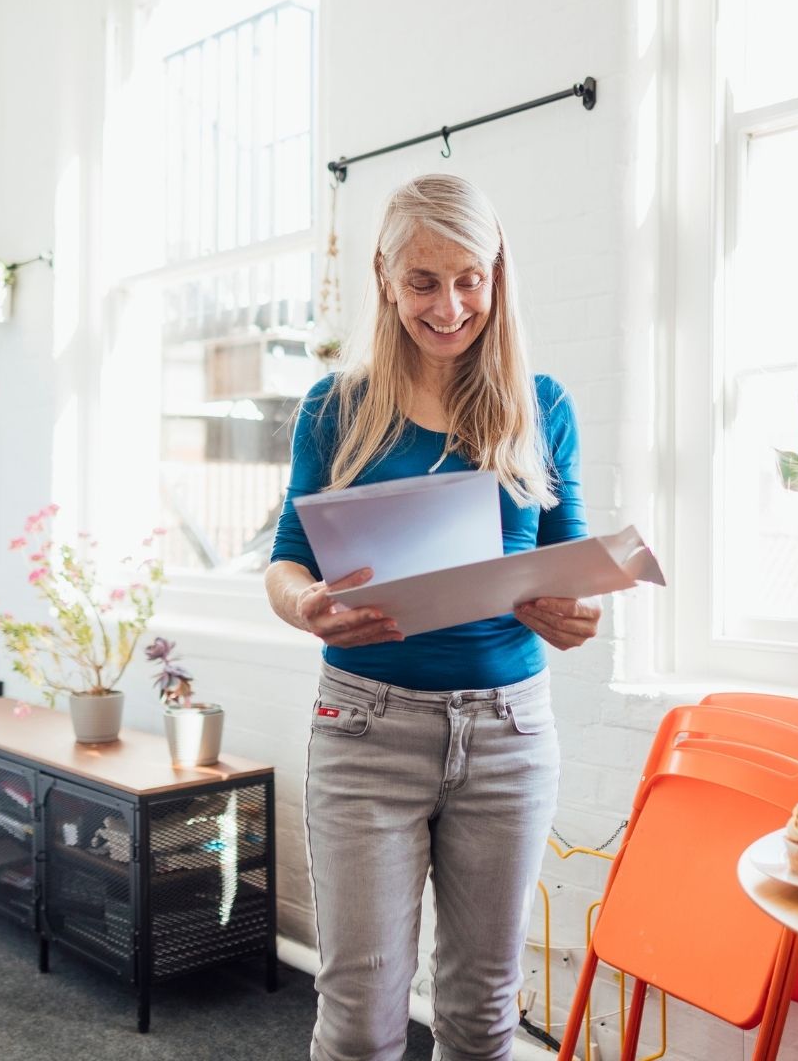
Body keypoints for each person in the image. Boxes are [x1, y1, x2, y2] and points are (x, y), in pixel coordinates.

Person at [265, 174, 601, 1061]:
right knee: (360, 1019)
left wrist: (576, 613)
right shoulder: (334, 408)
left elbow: (571, 560)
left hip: (508, 735)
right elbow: (287, 560)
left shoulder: (542, 405)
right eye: (422, 282)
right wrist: (306, 604)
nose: (449, 308)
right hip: (365, 732)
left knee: (484, 1016)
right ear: (383, 277)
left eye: (468, 281)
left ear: (497, 275)